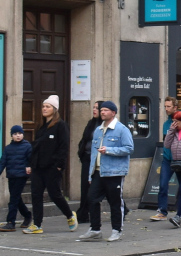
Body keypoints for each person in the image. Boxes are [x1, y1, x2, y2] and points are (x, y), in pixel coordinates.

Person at [80, 100, 134, 242]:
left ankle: (117, 230)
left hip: (114, 172)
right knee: (91, 199)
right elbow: (93, 153)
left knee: (115, 202)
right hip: (98, 172)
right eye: (101, 110)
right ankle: (95, 229)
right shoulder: (97, 130)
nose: (102, 112)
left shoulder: (122, 129)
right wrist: (91, 173)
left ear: (113, 112)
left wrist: (109, 150)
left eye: (105, 110)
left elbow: (129, 148)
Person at [26, 96, 74, 233]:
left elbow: (64, 147)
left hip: (52, 167)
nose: (44, 109)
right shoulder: (41, 127)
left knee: (55, 194)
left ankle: (70, 215)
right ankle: (37, 224)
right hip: (38, 167)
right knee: (36, 194)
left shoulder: (60, 125)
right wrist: (31, 164)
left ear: (54, 109)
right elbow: (36, 147)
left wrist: (59, 165)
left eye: (48, 107)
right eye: (43, 106)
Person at [0, 125, 33, 231]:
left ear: (22, 134)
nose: (18, 136)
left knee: (13, 200)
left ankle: (11, 222)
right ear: (11, 136)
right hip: (11, 176)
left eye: (19, 133)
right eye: (15, 134)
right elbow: (2, 162)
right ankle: (27, 215)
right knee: (17, 199)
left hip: (21, 176)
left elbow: (31, 158)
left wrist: (29, 166)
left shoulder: (27, 146)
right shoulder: (8, 148)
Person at [158, 111, 181, 228]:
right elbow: (166, 145)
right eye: (173, 121)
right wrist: (171, 131)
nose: (174, 124)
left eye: (176, 122)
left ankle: (179, 216)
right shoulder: (174, 131)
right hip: (177, 164)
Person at [151, 96, 179, 221]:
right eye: (165, 106)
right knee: (163, 184)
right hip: (167, 158)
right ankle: (162, 210)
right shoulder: (166, 123)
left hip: (180, 159)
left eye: (169, 107)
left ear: (175, 107)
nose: (166, 109)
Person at [75, 101, 102, 231]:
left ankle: (122, 208)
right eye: (94, 107)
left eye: (97, 108)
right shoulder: (91, 123)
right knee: (85, 186)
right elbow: (85, 139)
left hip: (99, 160)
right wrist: (81, 151)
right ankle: (83, 213)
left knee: (105, 187)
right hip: (87, 158)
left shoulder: (103, 125)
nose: (94, 110)